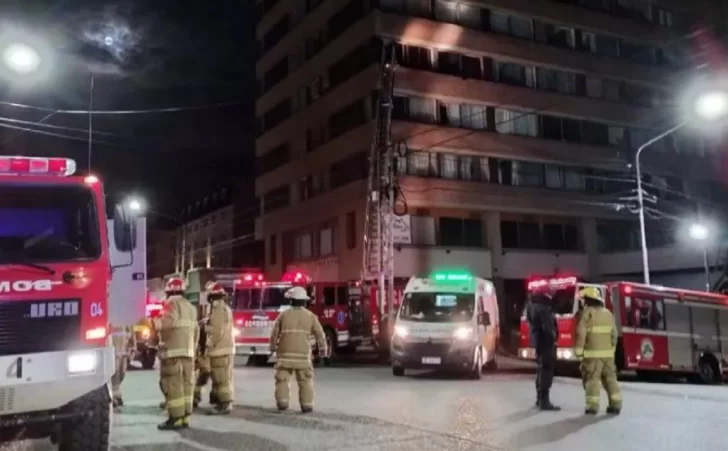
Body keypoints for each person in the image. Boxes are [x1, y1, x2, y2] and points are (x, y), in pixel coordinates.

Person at [269, 286, 326, 413]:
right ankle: (307, 405)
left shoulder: (283, 316)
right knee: (305, 381)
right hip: (303, 356)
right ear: (304, 302)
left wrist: (272, 347)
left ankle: (282, 404)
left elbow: (274, 333)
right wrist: (323, 349)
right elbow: (319, 334)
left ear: (291, 301)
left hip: (284, 355)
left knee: (282, 380)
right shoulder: (310, 316)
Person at [154, 277, 199, 430]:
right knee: (187, 385)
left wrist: (151, 322)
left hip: (172, 353)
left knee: (173, 385)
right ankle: (185, 417)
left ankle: (175, 418)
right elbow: (196, 331)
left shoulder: (171, 303)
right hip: (188, 353)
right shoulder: (191, 307)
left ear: (169, 291)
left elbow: (167, 323)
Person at [575, 287, 622, 415]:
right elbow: (614, 334)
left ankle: (592, 407)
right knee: (611, 380)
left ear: (587, 300)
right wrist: (611, 350)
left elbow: (581, 334)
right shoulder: (608, 313)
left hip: (592, 356)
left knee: (592, 381)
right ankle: (616, 405)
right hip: (608, 356)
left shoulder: (586, 314)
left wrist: (579, 353)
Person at [526, 285, 560, 411]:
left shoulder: (531, 306)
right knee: (547, 370)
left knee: (541, 369)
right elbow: (549, 328)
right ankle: (544, 402)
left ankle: (539, 399)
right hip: (546, 343)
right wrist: (554, 340)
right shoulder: (543, 308)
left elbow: (531, 323)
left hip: (538, 342)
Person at [204, 282, 236, 415]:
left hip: (219, 350)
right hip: (225, 349)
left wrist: (208, 342)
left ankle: (225, 404)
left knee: (221, 378)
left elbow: (217, 331)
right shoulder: (225, 308)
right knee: (223, 377)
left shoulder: (218, 310)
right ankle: (222, 401)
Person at [193, 282, 214, 409]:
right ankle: (195, 397)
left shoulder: (204, 323)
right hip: (207, 354)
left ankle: (195, 397)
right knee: (204, 376)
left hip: (205, 354)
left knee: (203, 375)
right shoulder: (203, 323)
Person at [110, 323, 136, 408]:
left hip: (123, 352)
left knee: (121, 374)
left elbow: (131, 331)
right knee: (114, 374)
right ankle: (114, 396)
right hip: (113, 352)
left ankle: (116, 395)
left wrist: (133, 348)